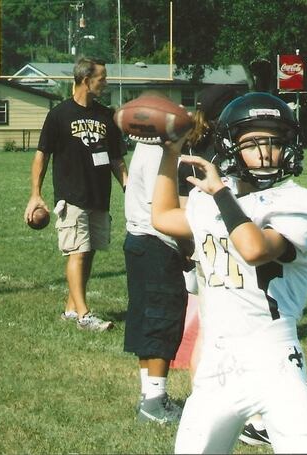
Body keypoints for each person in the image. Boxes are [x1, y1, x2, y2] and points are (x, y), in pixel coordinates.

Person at [152, 92, 307, 453]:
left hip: (274, 357)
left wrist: (220, 192)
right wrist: (169, 155)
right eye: (252, 143)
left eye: (275, 142)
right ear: (230, 147)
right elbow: (162, 217)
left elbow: (254, 249)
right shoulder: (212, 199)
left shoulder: (300, 202)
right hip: (219, 359)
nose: (266, 153)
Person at [178, 85, 271, 446]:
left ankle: (204, 399)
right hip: (229, 239)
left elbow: (178, 208)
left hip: (202, 241)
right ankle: (255, 414)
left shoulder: (188, 144)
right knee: (247, 326)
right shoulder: (222, 147)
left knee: (208, 327)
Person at [24, 57, 128, 331]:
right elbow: (41, 156)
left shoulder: (106, 115)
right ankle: (84, 316)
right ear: (86, 80)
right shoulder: (59, 115)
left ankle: (71, 309)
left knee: (90, 251)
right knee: (77, 253)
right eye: (101, 78)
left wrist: (128, 186)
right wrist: (35, 194)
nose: (105, 83)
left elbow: (117, 159)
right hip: (72, 196)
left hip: (99, 195)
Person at [123, 138, 189, 424]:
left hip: (139, 240)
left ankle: (148, 394)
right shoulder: (157, 153)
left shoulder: (143, 148)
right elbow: (164, 208)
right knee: (162, 319)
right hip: (157, 243)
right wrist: (189, 246)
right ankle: (155, 401)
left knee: (146, 318)